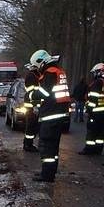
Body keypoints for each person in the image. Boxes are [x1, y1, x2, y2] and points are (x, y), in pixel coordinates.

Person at [28, 49, 70, 182]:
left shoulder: (50, 73)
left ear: (41, 62)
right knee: (53, 147)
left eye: (37, 66)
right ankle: (50, 172)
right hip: (59, 114)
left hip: (51, 115)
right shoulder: (58, 71)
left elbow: (44, 92)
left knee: (46, 146)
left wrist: (31, 95)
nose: (37, 69)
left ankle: (46, 175)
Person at [80, 63, 104, 155]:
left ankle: (89, 150)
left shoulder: (98, 82)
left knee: (92, 131)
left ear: (99, 72)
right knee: (100, 134)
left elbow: (94, 98)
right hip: (102, 113)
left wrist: (89, 110)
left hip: (96, 112)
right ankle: (98, 150)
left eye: (94, 73)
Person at [23, 63, 40, 152]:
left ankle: (28, 143)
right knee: (30, 125)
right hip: (31, 105)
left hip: (33, 104)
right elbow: (31, 92)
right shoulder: (31, 76)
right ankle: (28, 145)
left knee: (32, 125)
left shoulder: (35, 75)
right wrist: (34, 106)